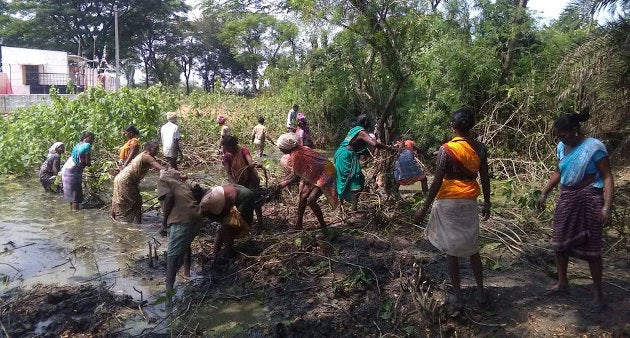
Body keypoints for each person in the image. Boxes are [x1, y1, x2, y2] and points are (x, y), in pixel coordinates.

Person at [413, 108, 491, 315]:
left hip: (448, 202)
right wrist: (488, 203)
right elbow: (485, 178)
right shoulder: (481, 148)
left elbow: (437, 182)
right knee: (473, 249)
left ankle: (458, 297)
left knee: (451, 251)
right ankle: (481, 293)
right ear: (471, 126)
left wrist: (423, 208)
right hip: (469, 202)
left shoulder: (446, 150)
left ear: (453, 126)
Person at [536, 110, 614, 313]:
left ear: (576, 130)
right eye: (559, 136)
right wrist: (544, 192)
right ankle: (562, 283)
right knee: (559, 243)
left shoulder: (594, 148)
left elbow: (607, 177)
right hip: (567, 198)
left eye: (563, 134)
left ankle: (598, 294)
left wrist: (606, 206)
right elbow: (559, 171)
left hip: (590, 198)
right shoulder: (562, 147)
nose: (561, 138)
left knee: (593, 248)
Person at [277, 133, 339, 229]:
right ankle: (299, 224)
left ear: (286, 147)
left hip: (325, 172)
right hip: (320, 171)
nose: (280, 150)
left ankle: (324, 227)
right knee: (303, 196)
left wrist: (285, 183)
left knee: (311, 200)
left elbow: (296, 176)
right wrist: (285, 180)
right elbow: (295, 172)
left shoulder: (296, 155)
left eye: (280, 148)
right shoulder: (299, 149)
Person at [157, 169, 203, 295]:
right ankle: (186, 274)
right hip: (197, 217)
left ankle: (168, 292)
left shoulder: (163, 180)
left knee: (171, 256)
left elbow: (170, 196)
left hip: (181, 220)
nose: (167, 169)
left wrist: (164, 223)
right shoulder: (181, 183)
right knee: (183, 245)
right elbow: (198, 192)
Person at [334, 114, 392, 208]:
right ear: (365, 123)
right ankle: (353, 207)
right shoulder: (361, 131)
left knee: (343, 179)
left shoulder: (353, 130)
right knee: (357, 179)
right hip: (346, 155)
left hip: (340, 154)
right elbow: (374, 143)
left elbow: (356, 145)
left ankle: (342, 207)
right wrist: (388, 148)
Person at [110, 141, 165, 224]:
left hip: (122, 177)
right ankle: (137, 223)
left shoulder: (145, 155)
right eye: (155, 149)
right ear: (148, 148)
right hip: (126, 179)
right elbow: (161, 168)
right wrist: (176, 174)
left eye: (158, 149)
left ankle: (114, 216)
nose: (157, 151)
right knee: (136, 201)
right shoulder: (147, 156)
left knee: (120, 197)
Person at [200, 184, 255, 260]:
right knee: (222, 229)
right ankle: (216, 254)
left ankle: (228, 253)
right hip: (237, 194)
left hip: (244, 198)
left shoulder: (209, 203)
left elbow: (225, 224)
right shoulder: (209, 198)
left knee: (227, 229)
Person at [221, 135, 264, 228]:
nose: (226, 149)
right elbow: (228, 173)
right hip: (238, 181)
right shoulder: (227, 156)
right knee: (241, 202)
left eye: (227, 147)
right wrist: (235, 185)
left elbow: (250, 162)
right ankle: (245, 224)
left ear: (233, 146)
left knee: (255, 199)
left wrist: (255, 165)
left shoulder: (243, 150)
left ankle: (260, 223)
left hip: (250, 179)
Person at [61, 131, 95, 211]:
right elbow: (87, 162)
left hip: (66, 170)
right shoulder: (87, 145)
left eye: (93, 139)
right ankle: (76, 218)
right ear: (85, 138)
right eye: (91, 138)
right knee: (76, 198)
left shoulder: (78, 145)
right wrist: (90, 166)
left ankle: (73, 215)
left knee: (71, 197)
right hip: (72, 172)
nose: (92, 141)